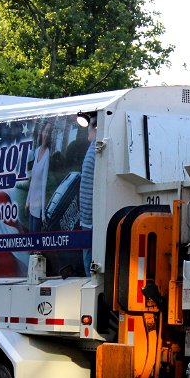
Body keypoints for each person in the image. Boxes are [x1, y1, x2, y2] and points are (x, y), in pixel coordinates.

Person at [26, 120, 53, 232]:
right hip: (31, 205)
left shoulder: (47, 155)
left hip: (38, 211)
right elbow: (32, 181)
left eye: (49, 132)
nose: (46, 134)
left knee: (36, 244)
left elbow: (43, 185)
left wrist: (42, 214)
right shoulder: (36, 152)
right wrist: (27, 202)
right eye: (45, 131)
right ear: (42, 132)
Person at [80, 116, 98, 274]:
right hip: (87, 222)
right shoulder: (93, 148)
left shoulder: (98, 149)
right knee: (88, 267)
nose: (90, 128)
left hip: (92, 223)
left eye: (93, 125)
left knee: (90, 269)